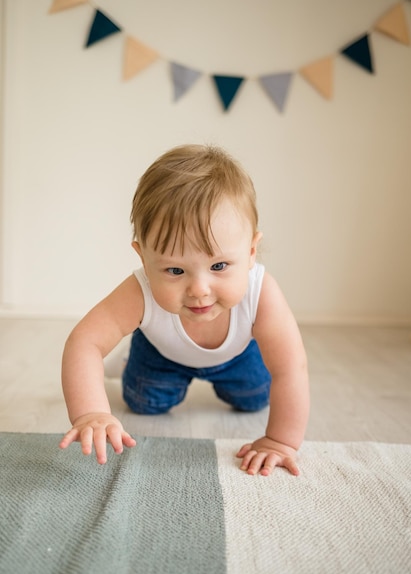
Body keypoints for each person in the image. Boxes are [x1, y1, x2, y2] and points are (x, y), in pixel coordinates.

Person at [59, 144, 309, 476]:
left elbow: (290, 367)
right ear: (144, 259)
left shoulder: (261, 293)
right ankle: (129, 362)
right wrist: (91, 413)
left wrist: (281, 441)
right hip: (161, 356)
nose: (199, 290)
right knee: (144, 404)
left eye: (219, 265)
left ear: (251, 252)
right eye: (175, 271)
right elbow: (84, 342)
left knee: (254, 399)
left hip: (239, 356)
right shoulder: (140, 291)